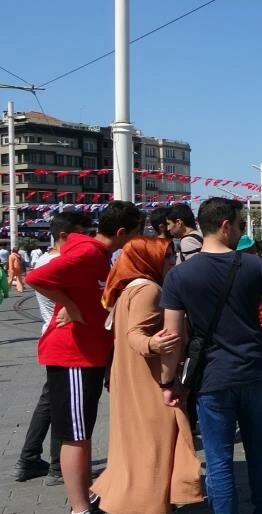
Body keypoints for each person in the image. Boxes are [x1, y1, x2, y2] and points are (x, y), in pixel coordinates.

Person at [159, 197, 262, 514]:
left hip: (212, 376)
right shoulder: (255, 266)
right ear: (226, 225)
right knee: (258, 448)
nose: (240, 230)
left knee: (218, 459)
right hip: (253, 369)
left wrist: (169, 380)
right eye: (240, 224)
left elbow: (172, 337)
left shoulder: (179, 276)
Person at [25, 201, 144, 514]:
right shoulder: (89, 252)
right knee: (76, 435)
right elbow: (36, 278)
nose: (137, 239)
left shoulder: (97, 255)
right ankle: (80, 507)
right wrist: (70, 305)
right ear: (121, 233)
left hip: (87, 353)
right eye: (135, 233)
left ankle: (84, 500)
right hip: (74, 355)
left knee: (81, 432)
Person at [91, 237, 204, 513]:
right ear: (147, 259)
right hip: (148, 380)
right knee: (156, 443)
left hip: (130, 377)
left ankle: (129, 498)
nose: (171, 262)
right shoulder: (149, 290)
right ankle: (150, 504)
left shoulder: (128, 287)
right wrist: (155, 344)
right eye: (165, 256)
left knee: (137, 444)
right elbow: (135, 335)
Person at [14, 210, 91, 486]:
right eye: (83, 233)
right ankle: (55, 466)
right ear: (64, 235)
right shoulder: (61, 263)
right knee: (62, 405)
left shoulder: (47, 260)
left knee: (50, 402)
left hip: (51, 338)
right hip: (65, 343)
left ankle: (30, 458)